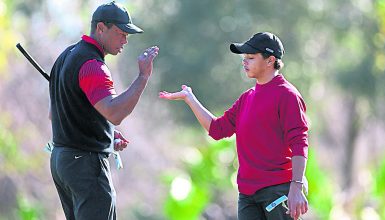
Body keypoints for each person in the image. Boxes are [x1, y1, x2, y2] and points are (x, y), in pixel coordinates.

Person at [159, 32, 309, 220]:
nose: (244, 62)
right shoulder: (247, 98)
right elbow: (217, 129)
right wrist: (190, 99)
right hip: (247, 195)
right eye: (244, 58)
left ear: (270, 60)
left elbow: (299, 142)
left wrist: (296, 186)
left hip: (277, 191)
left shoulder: (287, 95)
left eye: (251, 58)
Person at [48, 1, 159, 219]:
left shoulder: (66, 56)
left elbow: (57, 114)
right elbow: (115, 113)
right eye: (120, 33)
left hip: (62, 160)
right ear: (100, 28)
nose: (125, 40)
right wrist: (143, 76)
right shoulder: (93, 65)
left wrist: (103, 134)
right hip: (85, 165)